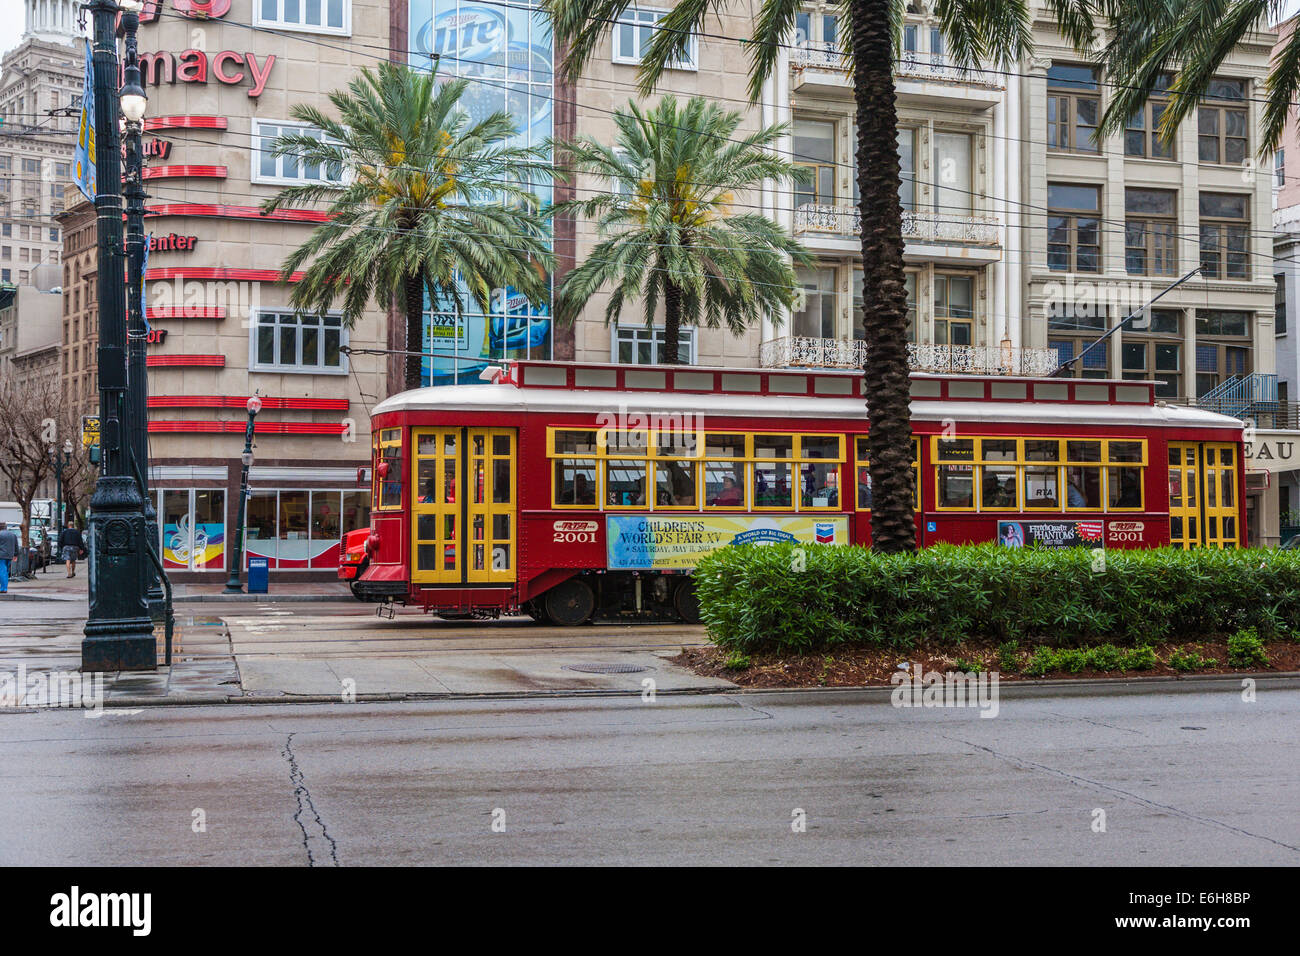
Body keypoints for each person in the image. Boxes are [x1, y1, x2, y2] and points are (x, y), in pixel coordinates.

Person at [0, 521, 18, 593]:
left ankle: (3, 588)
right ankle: (4, 587)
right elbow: (16, 545)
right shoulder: (13, 534)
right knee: (6, 571)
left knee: (2, 571)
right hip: (10, 556)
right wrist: (16, 554)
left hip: (1, 556)